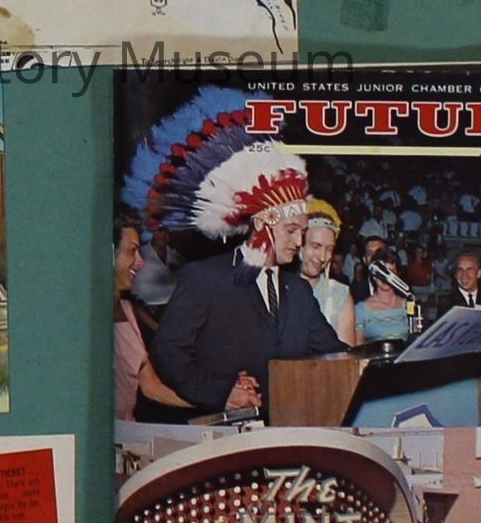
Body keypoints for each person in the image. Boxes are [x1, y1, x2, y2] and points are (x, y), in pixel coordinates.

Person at [146, 132, 345, 419]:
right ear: (262, 223)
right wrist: (220, 392)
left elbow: (337, 354)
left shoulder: (299, 291)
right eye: (291, 230)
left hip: (287, 428)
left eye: (302, 232)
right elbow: (167, 350)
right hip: (224, 432)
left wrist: (391, 355)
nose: (298, 242)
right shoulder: (206, 278)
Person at [111, 216, 203, 422]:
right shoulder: (89, 319)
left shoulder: (128, 311)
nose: (140, 261)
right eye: (132, 251)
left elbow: (152, 387)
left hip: (128, 430)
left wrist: (219, 402)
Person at [297, 201, 359, 346]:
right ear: (300, 244)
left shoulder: (339, 294)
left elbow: (346, 354)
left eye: (329, 249)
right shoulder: (279, 287)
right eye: (316, 246)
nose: (322, 257)